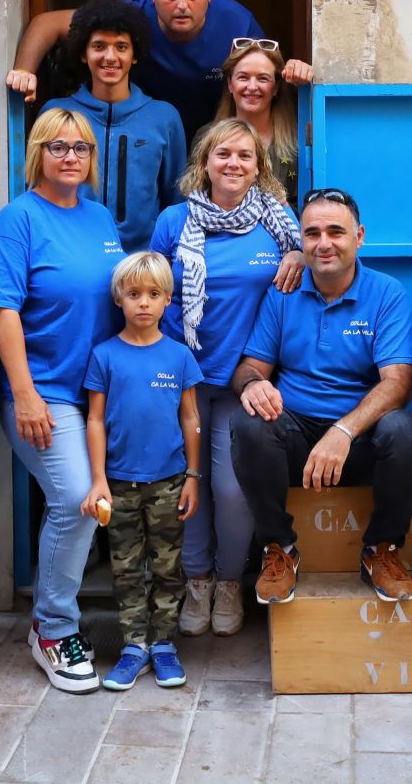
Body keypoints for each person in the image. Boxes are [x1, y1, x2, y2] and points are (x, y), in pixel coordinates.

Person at [0, 108, 124, 693]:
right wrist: (24, 395)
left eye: (81, 148)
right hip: (45, 392)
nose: (71, 156)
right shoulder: (17, 219)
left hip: (99, 393)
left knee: (97, 499)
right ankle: (53, 627)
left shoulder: (99, 217)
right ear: (37, 152)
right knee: (73, 497)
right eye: (58, 146)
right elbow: (1, 309)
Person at [227, 187, 412, 607]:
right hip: (296, 435)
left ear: (360, 236)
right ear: (301, 239)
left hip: (360, 439)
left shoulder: (384, 292)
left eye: (336, 232)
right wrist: (253, 384)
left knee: (408, 429)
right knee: (247, 422)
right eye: (313, 233)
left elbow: (398, 382)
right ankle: (279, 549)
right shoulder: (284, 290)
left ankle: (382, 549)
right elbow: (249, 367)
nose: (324, 243)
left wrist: (344, 430)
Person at [147, 119, 303, 637]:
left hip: (244, 379)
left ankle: (230, 582)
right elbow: (153, 291)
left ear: (259, 167)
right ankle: (197, 582)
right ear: (204, 163)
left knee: (232, 490)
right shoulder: (174, 220)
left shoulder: (280, 223)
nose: (233, 163)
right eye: (223, 154)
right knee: (187, 487)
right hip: (182, 377)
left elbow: (309, 267)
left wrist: (299, 252)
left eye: (244, 155)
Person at [5, 0, 314, 138]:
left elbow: (267, 80)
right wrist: (24, 72)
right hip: (148, 135)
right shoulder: (130, 18)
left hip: (218, 138)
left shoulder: (237, 21)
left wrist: (297, 72)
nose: (182, 4)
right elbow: (46, 23)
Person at [79, 252, 204, 690]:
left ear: (169, 299)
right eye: (134, 294)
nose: (144, 304)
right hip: (119, 484)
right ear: (119, 299)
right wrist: (98, 480)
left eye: (153, 294)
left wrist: (193, 476)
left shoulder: (179, 357)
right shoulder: (104, 356)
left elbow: (190, 418)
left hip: (170, 483)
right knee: (127, 568)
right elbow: (95, 419)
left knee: (168, 567)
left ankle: (164, 645)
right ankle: (134, 646)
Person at [39, 0, 186, 251]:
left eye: (121, 46)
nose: (110, 57)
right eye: (98, 46)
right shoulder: (56, 113)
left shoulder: (164, 118)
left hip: (143, 266)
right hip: (69, 255)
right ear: (83, 54)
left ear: (135, 55)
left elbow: (177, 202)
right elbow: (38, 191)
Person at [212, 39, 300, 203]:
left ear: (275, 88)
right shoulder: (206, 138)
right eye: (243, 77)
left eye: (263, 79)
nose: (252, 87)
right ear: (230, 84)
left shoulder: (296, 146)